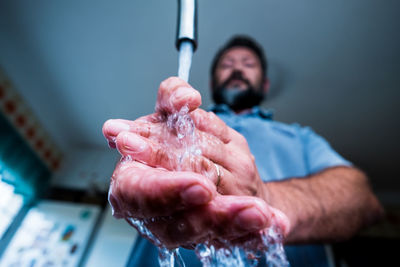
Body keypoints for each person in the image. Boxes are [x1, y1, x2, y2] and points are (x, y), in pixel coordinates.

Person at [102, 36, 383, 266]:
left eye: (248, 63)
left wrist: (268, 198)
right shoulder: (176, 128)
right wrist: (141, 158)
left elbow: (363, 200)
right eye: (228, 64)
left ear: (265, 84)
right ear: (212, 83)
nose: (237, 69)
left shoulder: (300, 137)